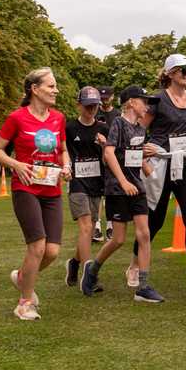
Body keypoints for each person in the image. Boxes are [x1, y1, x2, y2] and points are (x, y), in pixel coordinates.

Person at [0, 67, 70, 321]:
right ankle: (24, 303)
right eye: (51, 86)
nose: (56, 90)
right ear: (34, 89)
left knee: (52, 251)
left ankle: (23, 277)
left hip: (52, 189)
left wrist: (67, 166)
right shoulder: (17, 118)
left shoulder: (58, 118)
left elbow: (62, 150)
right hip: (26, 188)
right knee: (37, 245)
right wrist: (16, 165)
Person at [81, 86, 163, 303]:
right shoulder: (118, 123)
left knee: (144, 234)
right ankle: (92, 270)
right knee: (117, 239)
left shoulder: (140, 129)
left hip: (137, 188)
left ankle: (143, 287)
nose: (148, 106)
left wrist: (149, 166)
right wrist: (124, 181)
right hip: (117, 189)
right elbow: (109, 153)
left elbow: (132, 156)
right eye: (144, 101)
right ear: (131, 103)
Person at [132, 54, 186, 292]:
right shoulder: (157, 100)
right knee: (154, 219)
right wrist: (140, 154)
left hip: (185, 164)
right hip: (160, 164)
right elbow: (137, 129)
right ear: (170, 73)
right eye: (184, 70)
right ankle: (134, 265)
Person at [63, 86, 109, 289]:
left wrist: (105, 146)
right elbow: (63, 152)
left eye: (95, 106)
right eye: (88, 106)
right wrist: (66, 168)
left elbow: (109, 160)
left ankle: (74, 262)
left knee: (89, 231)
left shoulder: (104, 129)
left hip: (97, 184)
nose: (91, 109)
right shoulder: (69, 128)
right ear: (79, 105)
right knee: (86, 227)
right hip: (77, 183)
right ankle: (89, 276)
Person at [94, 86, 119, 242]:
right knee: (97, 193)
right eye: (102, 98)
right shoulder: (94, 112)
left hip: (112, 158)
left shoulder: (117, 115)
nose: (104, 100)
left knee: (111, 193)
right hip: (96, 157)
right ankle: (96, 226)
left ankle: (110, 226)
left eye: (107, 97)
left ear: (112, 97)